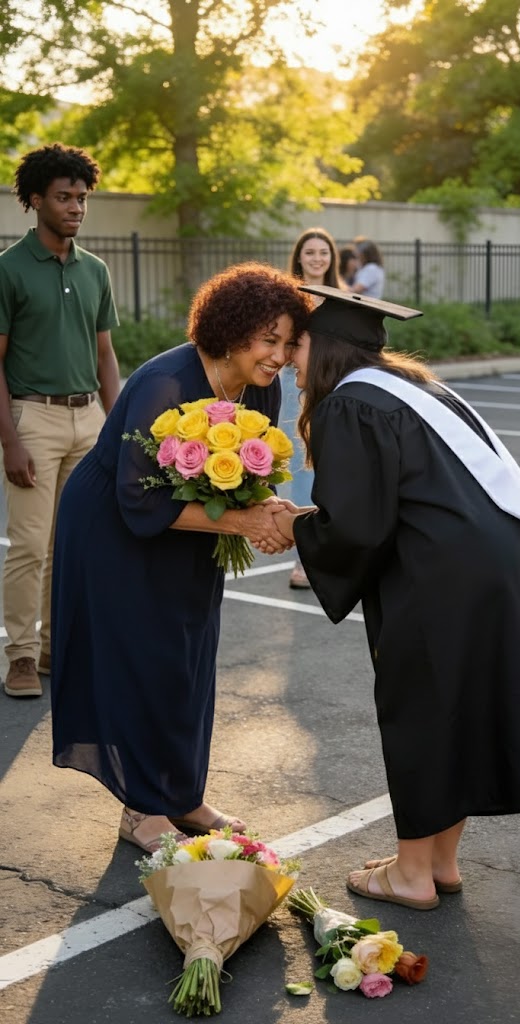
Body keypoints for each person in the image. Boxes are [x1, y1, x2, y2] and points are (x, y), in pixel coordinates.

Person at [274, 285, 520, 911]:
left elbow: (356, 527)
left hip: (440, 576)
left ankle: (411, 874)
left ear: (324, 348)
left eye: (295, 346)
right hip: (502, 562)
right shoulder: (417, 388)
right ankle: (438, 861)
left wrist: (294, 527)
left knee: (421, 711)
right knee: (457, 710)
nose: (287, 362)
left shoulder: (350, 404)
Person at [50, 262, 312, 855]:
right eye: (267, 340)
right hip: (113, 527)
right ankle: (142, 809)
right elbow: (138, 497)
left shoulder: (261, 386)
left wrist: (270, 510)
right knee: (142, 658)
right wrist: (245, 522)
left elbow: (251, 476)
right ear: (232, 330)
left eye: (288, 343)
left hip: (190, 531)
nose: (278, 356)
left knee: (188, 654)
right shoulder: (165, 383)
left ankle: (185, 794)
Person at [0, 142, 120, 699]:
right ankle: (21, 656)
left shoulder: (95, 270)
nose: (75, 207)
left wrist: (117, 428)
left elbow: (105, 356)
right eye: (63, 197)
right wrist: (10, 440)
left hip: (88, 419)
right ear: (34, 200)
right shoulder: (8, 269)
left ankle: (54, 647)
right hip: (33, 420)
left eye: (82, 198)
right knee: (29, 545)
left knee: (73, 543)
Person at [282, 228, 341, 589]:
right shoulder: (290, 299)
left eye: (323, 252)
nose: (317, 258)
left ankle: (337, 552)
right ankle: (305, 558)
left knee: (336, 467)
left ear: (331, 258)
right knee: (303, 470)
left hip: (335, 386)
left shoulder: (343, 300)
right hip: (296, 386)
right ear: (299, 257)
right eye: (310, 252)